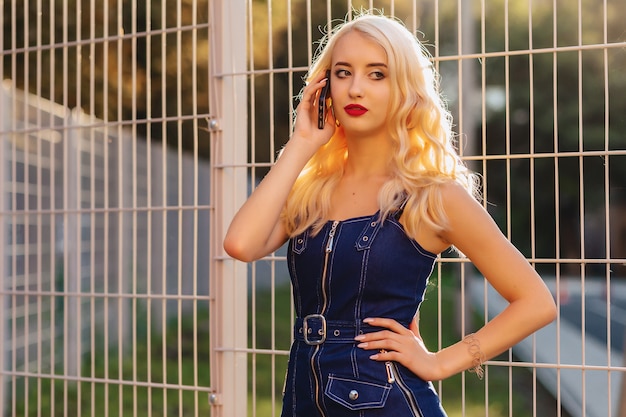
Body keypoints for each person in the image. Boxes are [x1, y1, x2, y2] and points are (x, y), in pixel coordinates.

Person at [223, 11, 557, 417]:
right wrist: (302, 142)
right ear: (325, 86)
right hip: (302, 401)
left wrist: (440, 362)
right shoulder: (310, 188)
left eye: (376, 74)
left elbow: (537, 302)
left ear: (404, 88)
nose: (355, 89)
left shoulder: (433, 194)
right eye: (343, 73)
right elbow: (240, 244)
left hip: (389, 403)